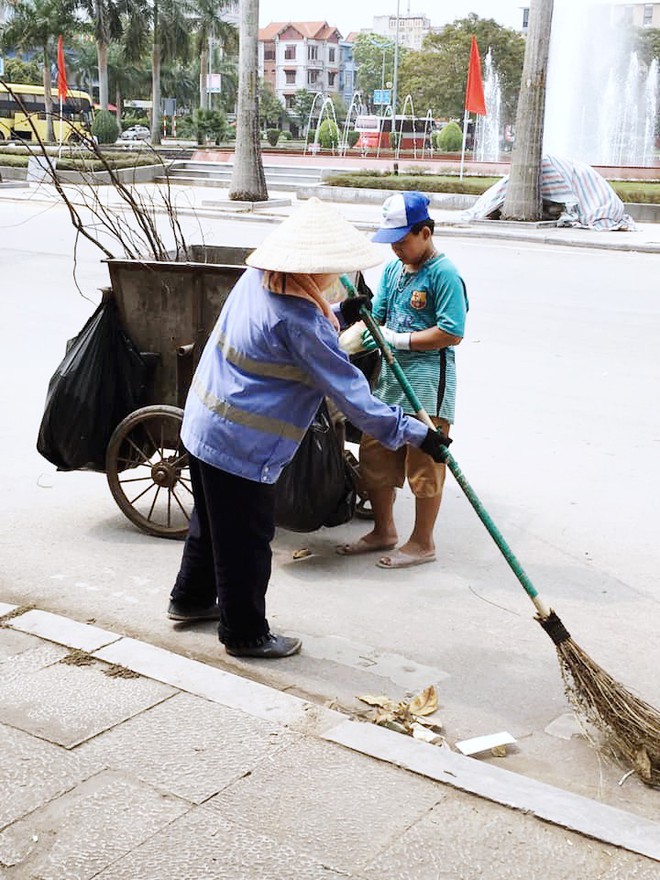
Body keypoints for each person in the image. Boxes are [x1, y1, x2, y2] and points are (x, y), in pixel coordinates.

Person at [168, 198, 450, 659]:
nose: (339, 279)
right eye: (334, 271)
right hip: (241, 443)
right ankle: (245, 634)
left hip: (203, 424)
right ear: (314, 268)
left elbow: (319, 317)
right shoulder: (298, 321)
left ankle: (191, 599)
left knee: (211, 523)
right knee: (246, 540)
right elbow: (355, 401)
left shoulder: (258, 278)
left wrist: (345, 314)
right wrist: (420, 435)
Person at [337, 191, 468, 569]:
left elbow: (452, 331)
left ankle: (422, 542)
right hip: (390, 380)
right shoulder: (394, 270)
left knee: (424, 463)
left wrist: (401, 339)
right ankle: (384, 530)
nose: (396, 248)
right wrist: (357, 334)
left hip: (427, 386)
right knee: (375, 452)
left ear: (425, 233)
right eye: (391, 242)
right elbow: (376, 315)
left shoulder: (444, 274)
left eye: (403, 240)